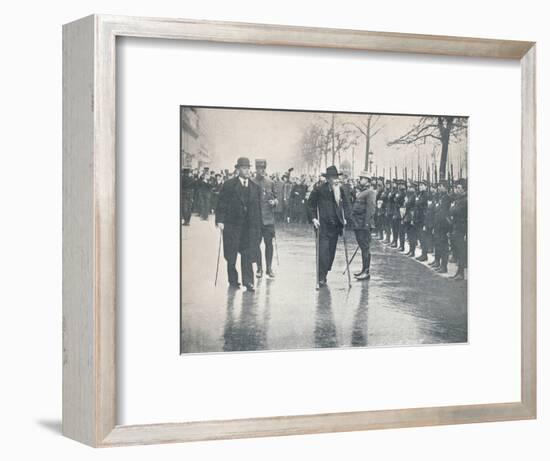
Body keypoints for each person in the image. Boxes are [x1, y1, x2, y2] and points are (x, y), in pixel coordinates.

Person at [215, 157, 262, 292]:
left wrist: (258, 227)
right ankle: (233, 280)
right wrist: (220, 220)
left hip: (248, 227)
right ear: (238, 169)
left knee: (247, 254)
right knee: (231, 254)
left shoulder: (255, 187)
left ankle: (248, 282)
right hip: (232, 225)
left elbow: (257, 209)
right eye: (244, 168)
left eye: (248, 168)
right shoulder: (229, 185)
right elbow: (221, 203)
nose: (247, 171)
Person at [307, 165, 352, 287]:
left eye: (337, 177)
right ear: (328, 179)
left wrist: (346, 218)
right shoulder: (319, 190)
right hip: (323, 226)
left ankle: (324, 273)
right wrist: (314, 218)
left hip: (336, 227)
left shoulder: (341, 190)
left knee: (331, 254)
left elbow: (347, 205)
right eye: (333, 178)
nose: (336, 180)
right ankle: (321, 276)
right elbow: (310, 205)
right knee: (323, 252)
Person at [251, 159, 278, 278]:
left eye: (263, 168)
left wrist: (274, 202)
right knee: (256, 245)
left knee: (269, 245)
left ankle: (269, 268)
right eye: (259, 168)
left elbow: (277, 198)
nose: (262, 170)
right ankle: (259, 268)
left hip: (268, 220)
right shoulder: (251, 182)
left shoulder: (270, 182)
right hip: (256, 220)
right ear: (256, 169)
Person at [351, 172, 377, 280]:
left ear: (367, 180)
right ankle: (363, 270)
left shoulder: (370, 192)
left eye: (362, 178)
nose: (360, 180)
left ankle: (366, 271)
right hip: (359, 224)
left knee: (365, 248)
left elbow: (370, 209)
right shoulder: (362, 192)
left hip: (363, 224)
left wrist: (367, 224)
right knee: (363, 247)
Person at [450, 178, 468, 280]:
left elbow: (454, 210)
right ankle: (459, 272)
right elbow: (452, 210)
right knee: (457, 249)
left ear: (464, 189)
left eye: (459, 187)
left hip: (462, 227)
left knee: (461, 250)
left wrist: (453, 208)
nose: (457, 189)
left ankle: (461, 273)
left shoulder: (464, 200)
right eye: (456, 187)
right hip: (457, 226)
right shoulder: (459, 199)